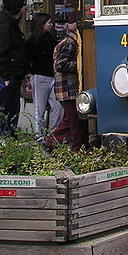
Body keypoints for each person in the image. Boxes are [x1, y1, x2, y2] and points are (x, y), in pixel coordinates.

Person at [50, 10, 88, 151]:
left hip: (66, 90)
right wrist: (79, 65)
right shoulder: (70, 43)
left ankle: (51, 142)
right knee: (76, 121)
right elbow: (60, 65)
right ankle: (77, 149)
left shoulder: (69, 41)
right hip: (68, 89)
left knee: (68, 121)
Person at [0, 0, 28, 137]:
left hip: (14, 72)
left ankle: (8, 133)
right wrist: (6, 75)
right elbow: (0, 53)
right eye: (24, 5)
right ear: (18, 7)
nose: (26, 8)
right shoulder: (6, 26)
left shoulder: (9, 24)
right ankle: (3, 133)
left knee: (11, 105)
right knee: (6, 105)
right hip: (9, 74)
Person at [26, 12, 63, 141]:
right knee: (39, 108)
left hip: (52, 75)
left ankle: (53, 135)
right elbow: (28, 59)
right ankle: (40, 136)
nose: (51, 25)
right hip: (40, 76)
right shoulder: (32, 42)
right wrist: (29, 74)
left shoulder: (50, 38)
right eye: (48, 22)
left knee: (57, 106)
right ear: (41, 24)